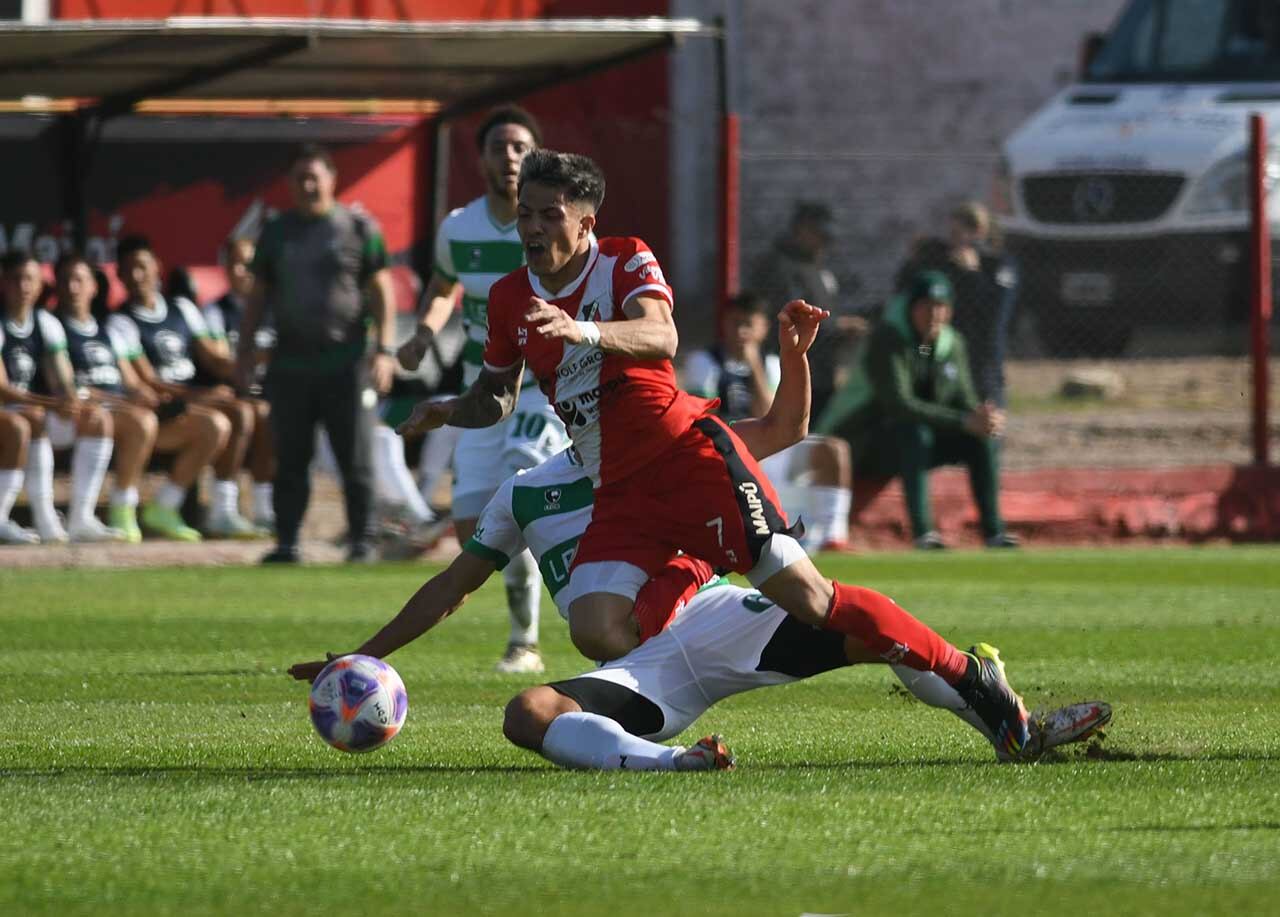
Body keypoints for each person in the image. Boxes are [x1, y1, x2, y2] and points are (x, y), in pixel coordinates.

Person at [398, 152, 1030, 761]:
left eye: (548, 214)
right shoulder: (516, 327)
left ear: (585, 221)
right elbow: (496, 401)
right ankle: (681, 652)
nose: (532, 227)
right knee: (590, 631)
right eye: (525, 215)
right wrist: (450, 410)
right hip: (635, 541)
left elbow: (677, 346)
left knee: (816, 604)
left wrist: (584, 330)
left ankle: (971, 677)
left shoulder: (624, 266)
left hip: (702, 515)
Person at [293, 302, 1107, 768]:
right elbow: (448, 588)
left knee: (865, 623)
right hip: (646, 668)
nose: (605, 405)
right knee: (525, 711)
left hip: (720, 617)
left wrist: (792, 355)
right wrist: (362, 655)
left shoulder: (673, 450)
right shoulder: (526, 492)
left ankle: (1010, 723)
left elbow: (787, 424)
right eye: (590, 397)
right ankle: (669, 763)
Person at [396, 105, 569, 673]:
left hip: (543, 390)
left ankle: (527, 643)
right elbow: (446, 286)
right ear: (482, 159)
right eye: (500, 147)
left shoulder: (554, 226)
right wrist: (423, 334)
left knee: (516, 502)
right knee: (474, 527)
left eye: (520, 146)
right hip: (483, 393)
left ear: (537, 154)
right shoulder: (459, 227)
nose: (511, 156)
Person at [236, 143, 398, 564]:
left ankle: (362, 540)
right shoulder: (276, 232)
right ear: (289, 185)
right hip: (290, 365)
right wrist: (245, 349)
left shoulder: (359, 228)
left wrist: (385, 350)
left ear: (332, 179)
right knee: (290, 458)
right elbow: (257, 295)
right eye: (299, 178)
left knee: (357, 457)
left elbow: (382, 290)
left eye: (315, 177)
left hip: (347, 364)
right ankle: (287, 542)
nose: (308, 185)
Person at [816, 271, 1018, 550]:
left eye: (941, 306)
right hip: (859, 444)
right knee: (914, 433)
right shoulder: (888, 339)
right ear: (912, 307)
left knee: (980, 438)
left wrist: (981, 416)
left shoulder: (952, 343)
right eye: (926, 305)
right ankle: (924, 533)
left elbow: (963, 397)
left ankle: (994, 531)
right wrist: (962, 420)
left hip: (917, 442)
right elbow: (899, 405)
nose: (934, 313)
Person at [109, 235, 265, 540]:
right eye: (129, 270)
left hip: (193, 402)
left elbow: (214, 359)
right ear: (120, 276)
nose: (137, 275)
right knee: (218, 424)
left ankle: (224, 510)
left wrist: (251, 367)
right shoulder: (121, 322)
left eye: (142, 267)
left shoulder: (181, 307)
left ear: (158, 268)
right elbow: (148, 381)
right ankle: (182, 508)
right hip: (163, 411)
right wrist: (203, 394)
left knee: (247, 411)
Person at [55, 252, 210, 544]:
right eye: (64, 281)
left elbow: (132, 382)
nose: (71, 288)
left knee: (211, 424)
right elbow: (67, 388)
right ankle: (120, 510)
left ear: (94, 287)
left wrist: (144, 395)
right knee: (138, 421)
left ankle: (163, 508)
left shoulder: (107, 330)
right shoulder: (52, 326)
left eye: (79, 280)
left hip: (120, 415)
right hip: (81, 417)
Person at [682, 290, 853, 551]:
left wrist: (754, 366)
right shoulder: (704, 362)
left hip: (772, 445)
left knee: (834, 451)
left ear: (763, 327)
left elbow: (772, 418)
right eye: (734, 322)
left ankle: (834, 537)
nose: (740, 331)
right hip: (732, 447)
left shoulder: (772, 363)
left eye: (748, 324)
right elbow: (705, 419)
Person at [1, 250, 121, 543]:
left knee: (96, 418)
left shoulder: (46, 323)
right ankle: (21, 517)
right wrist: (52, 403)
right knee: (25, 421)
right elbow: (2, 389)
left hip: (32, 414)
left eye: (30, 279)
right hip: (12, 414)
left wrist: (69, 400)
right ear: (3, 283)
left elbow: (61, 376)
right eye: (16, 280)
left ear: (41, 284)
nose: (24, 287)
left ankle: (81, 517)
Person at [747, 200, 868, 420]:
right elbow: (790, 313)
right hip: (786, 363)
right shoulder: (778, 266)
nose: (824, 244)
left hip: (822, 367)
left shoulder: (816, 267)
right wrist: (839, 326)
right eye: (819, 235)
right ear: (801, 229)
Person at [893, 202, 1017, 406]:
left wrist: (972, 274)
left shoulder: (997, 263)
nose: (955, 242)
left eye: (959, 233)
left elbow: (995, 314)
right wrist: (915, 259)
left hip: (982, 359)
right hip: (940, 354)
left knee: (986, 419)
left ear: (980, 232)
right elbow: (905, 290)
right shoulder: (943, 259)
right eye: (951, 234)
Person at [201, 237, 276, 531]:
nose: (242, 271)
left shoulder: (276, 308)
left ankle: (264, 509)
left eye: (249, 264)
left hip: (271, 395)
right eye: (235, 264)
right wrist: (262, 357)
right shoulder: (215, 312)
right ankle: (223, 509)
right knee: (249, 412)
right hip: (231, 396)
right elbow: (221, 363)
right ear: (225, 268)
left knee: (269, 412)